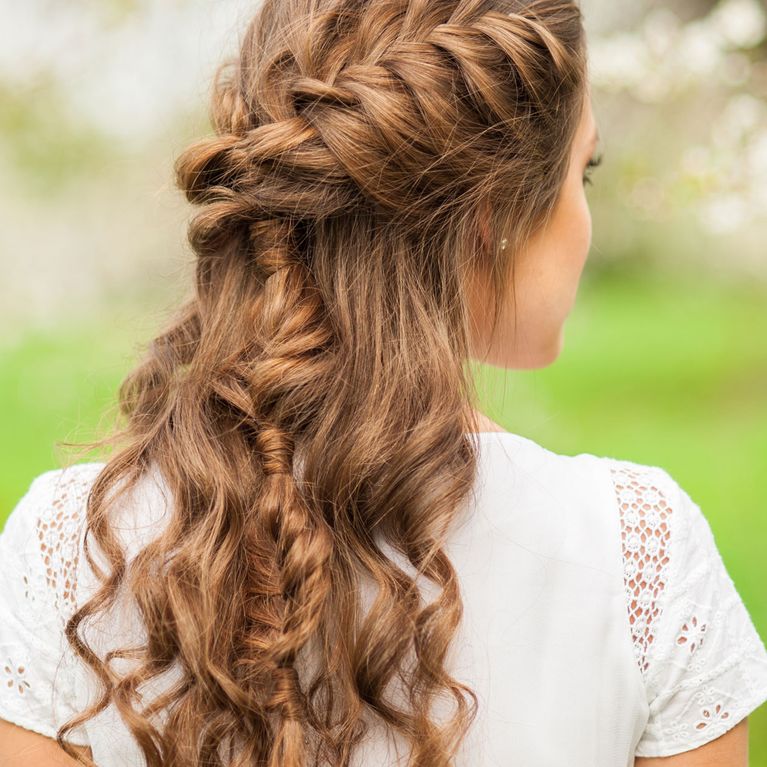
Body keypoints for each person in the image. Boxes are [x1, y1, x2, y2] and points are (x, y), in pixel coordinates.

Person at [1, 1, 766, 765]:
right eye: (582, 171)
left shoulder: (68, 549)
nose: (586, 217)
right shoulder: (641, 553)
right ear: (490, 215)